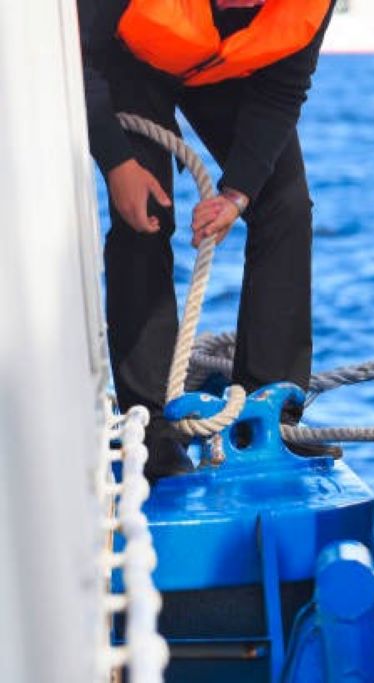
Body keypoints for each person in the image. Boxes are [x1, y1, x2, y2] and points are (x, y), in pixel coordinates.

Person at [78, 0, 337, 480]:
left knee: (286, 205)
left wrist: (236, 193)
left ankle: (270, 413)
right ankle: (151, 424)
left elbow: (283, 89)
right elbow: (78, 52)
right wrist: (117, 162)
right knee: (145, 217)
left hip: (226, 73)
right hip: (129, 62)